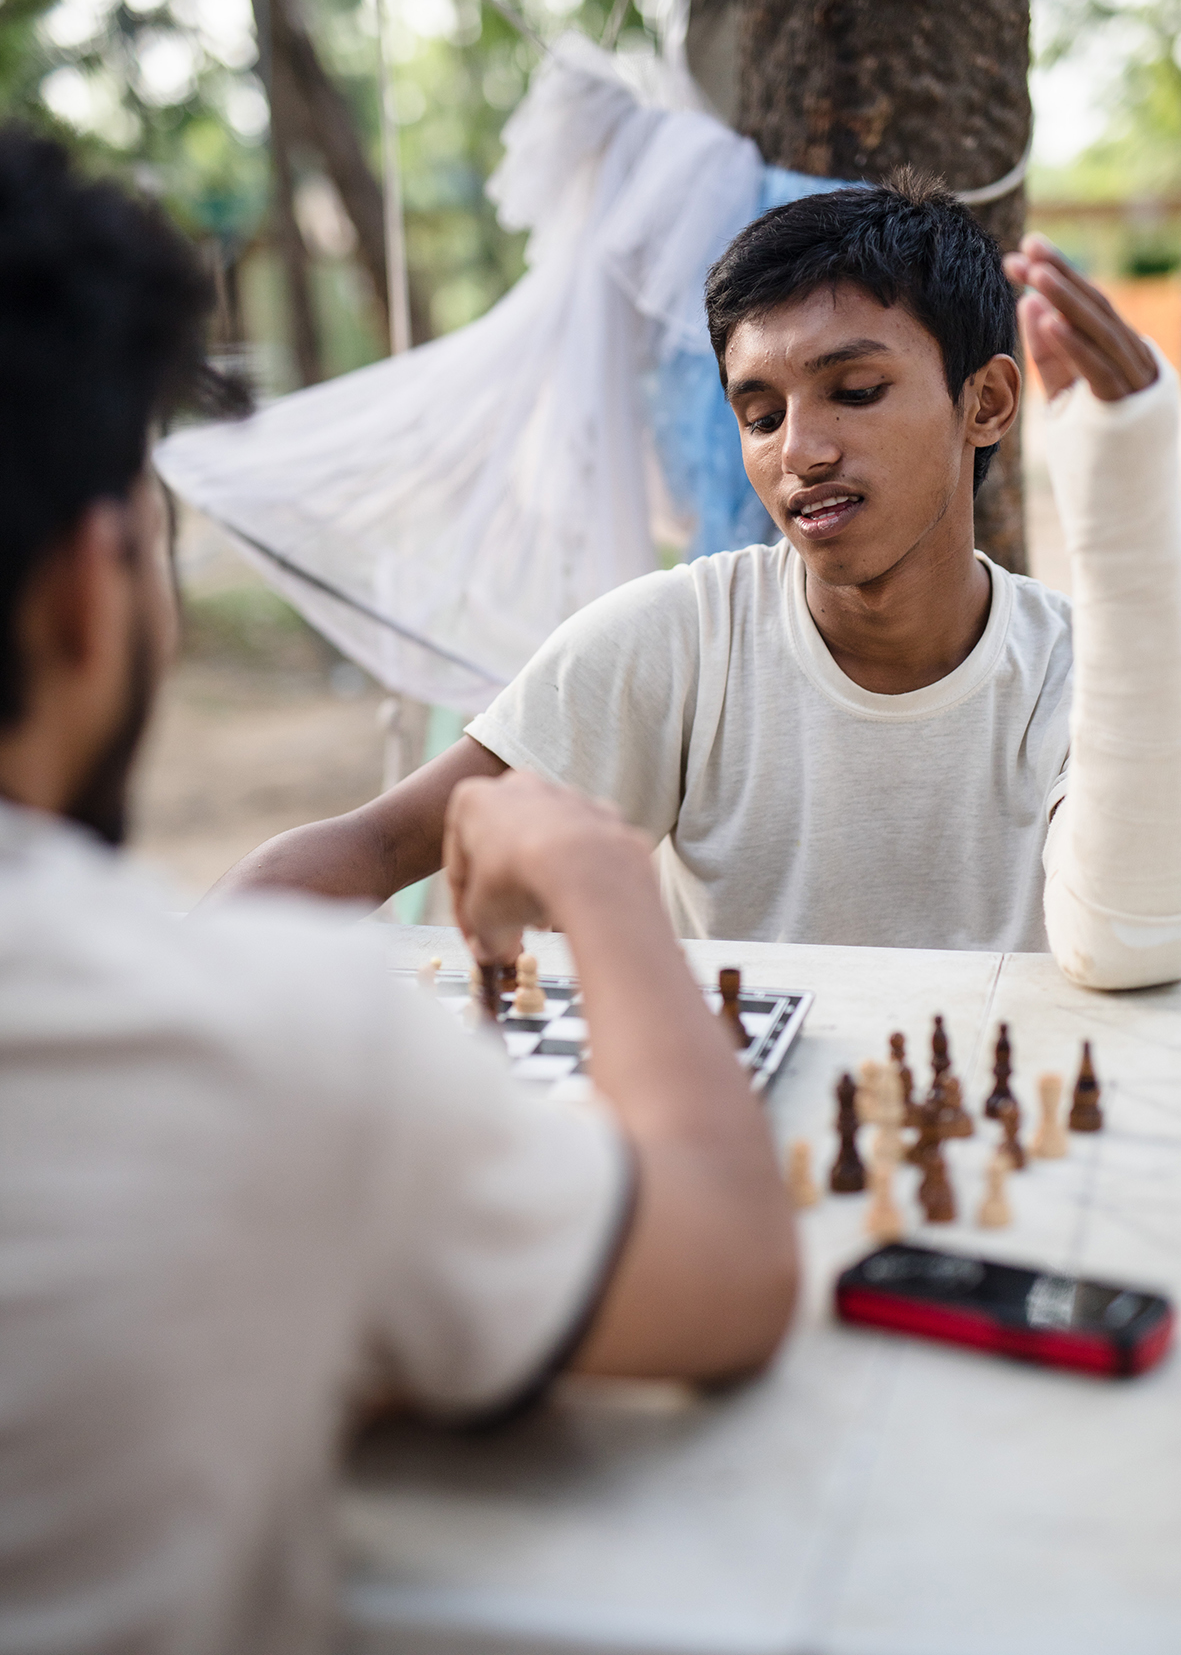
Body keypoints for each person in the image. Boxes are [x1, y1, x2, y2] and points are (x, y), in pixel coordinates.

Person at [0, 127, 796, 1655]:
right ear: (87, 594)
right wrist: (602, 884)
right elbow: (726, 1270)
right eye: (754, 409)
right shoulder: (278, 1054)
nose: (796, 450)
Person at [213, 173, 1181, 989]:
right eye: (759, 414)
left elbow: (1127, 928)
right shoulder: (677, 641)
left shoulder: (1085, 677)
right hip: (728, 1166)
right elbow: (380, 845)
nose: (798, 450)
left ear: (986, 402)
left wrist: (1138, 479)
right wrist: (181, 987)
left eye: (852, 391)